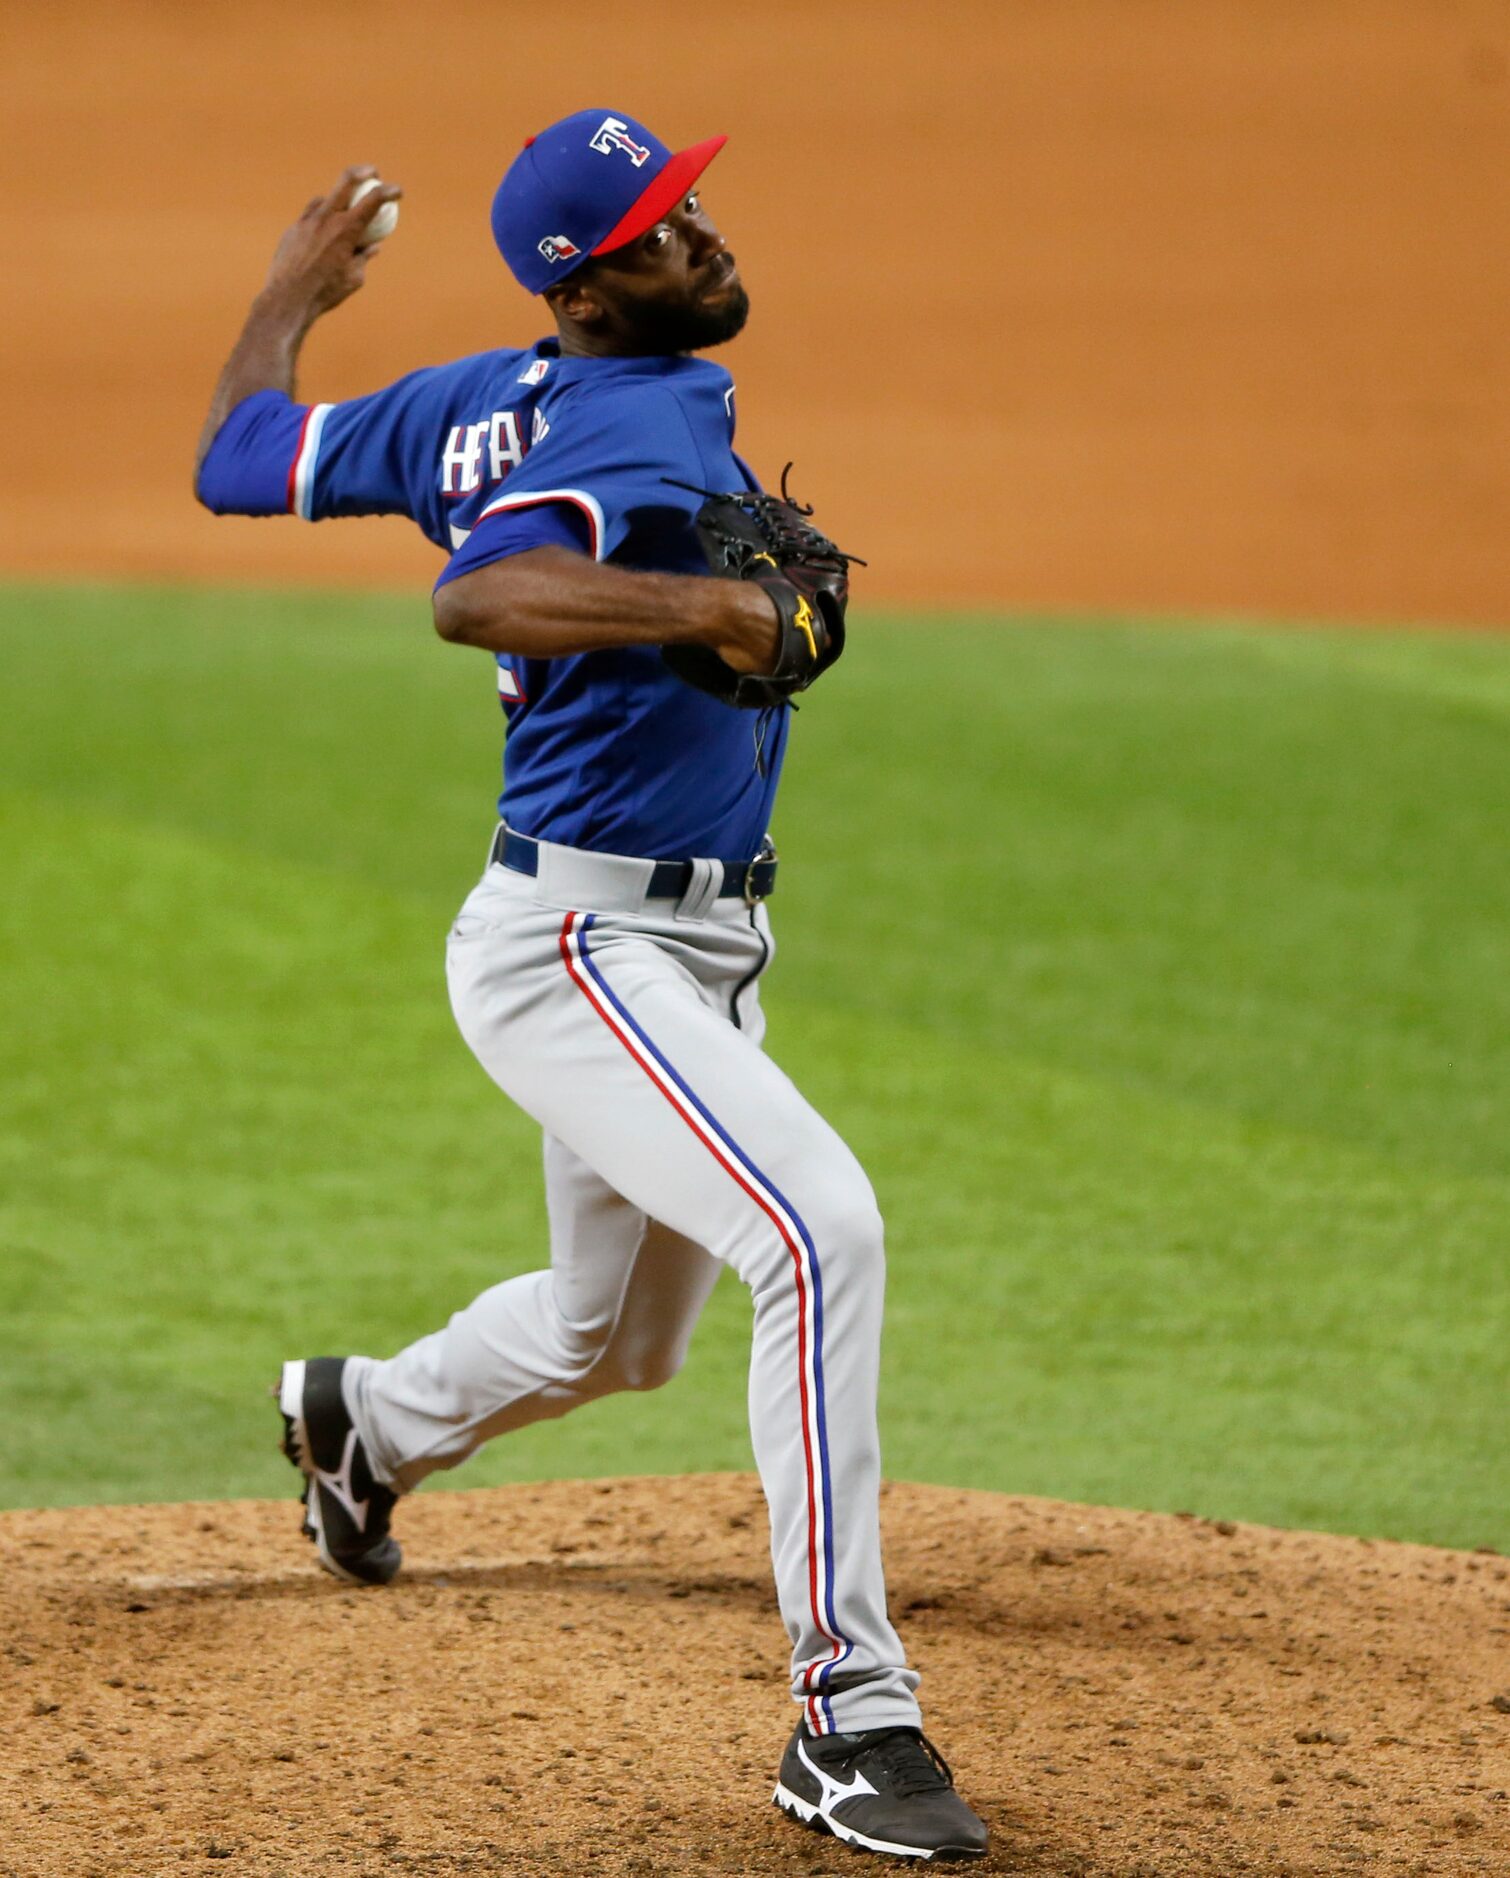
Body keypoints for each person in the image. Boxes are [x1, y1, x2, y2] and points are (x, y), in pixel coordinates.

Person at [195, 108, 988, 1864]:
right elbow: (481, 598)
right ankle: (845, 1712)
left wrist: (285, 297)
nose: (698, 236)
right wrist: (701, 615)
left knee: (612, 1336)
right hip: (582, 949)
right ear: (589, 286)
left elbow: (241, 451)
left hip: (678, 947)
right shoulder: (621, 419)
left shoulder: (475, 398)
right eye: (656, 229)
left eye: (688, 202)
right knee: (819, 1230)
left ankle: (362, 1424)